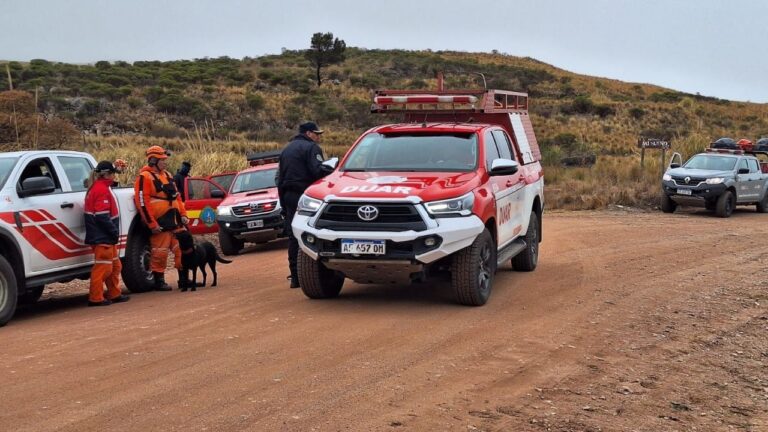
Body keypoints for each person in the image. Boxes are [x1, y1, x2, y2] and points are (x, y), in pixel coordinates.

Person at [277, 121, 332, 288]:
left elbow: (279, 179)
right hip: (306, 197)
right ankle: (318, 274)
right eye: (317, 133)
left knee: (293, 236)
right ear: (309, 133)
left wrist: (283, 204)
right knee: (313, 233)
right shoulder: (311, 148)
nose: (318, 137)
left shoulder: (286, 150)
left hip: (288, 196)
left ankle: (295, 276)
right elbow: (317, 172)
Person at [133, 145, 190, 291]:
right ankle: (159, 281)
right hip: (160, 223)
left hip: (175, 220)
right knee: (160, 253)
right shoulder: (144, 177)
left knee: (182, 250)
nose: (165, 162)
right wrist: (152, 224)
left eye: (165, 159)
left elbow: (177, 197)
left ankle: (184, 279)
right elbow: (142, 203)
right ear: (153, 160)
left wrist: (183, 214)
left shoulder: (168, 175)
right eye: (162, 159)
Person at [84, 161, 130, 306]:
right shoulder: (101, 189)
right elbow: (102, 216)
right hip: (102, 236)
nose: (114, 176)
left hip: (106, 236)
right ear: (107, 174)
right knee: (103, 267)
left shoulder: (101, 187)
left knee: (115, 266)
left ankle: (114, 293)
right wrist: (113, 232)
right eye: (113, 173)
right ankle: (96, 298)